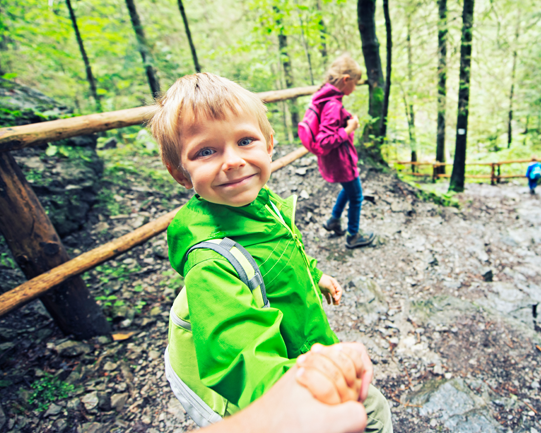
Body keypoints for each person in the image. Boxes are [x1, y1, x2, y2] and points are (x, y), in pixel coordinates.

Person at [148, 73, 392, 432]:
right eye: (206, 151)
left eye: (245, 140)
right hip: (282, 386)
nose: (232, 160)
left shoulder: (265, 205)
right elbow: (241, 353)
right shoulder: (210, 264)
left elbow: (284, 250)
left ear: (269, 144)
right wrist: (304, 391)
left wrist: (315, 274)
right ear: (181, 173)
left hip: (304, 345)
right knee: (373, 410)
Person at [196, 343, 370, 433]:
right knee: (373, 407)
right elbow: (241, 358)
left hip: (314, 361)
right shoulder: (209, 275)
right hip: (305, 382)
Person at [308, 54, 375, 249]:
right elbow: (326, 139)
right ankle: (353, 236)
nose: (355, 87)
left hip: (338, 160)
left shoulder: (327, 98)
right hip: (341, 160)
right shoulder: (332, 105)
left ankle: (334, 221)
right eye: (355, 83)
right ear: (346, 80)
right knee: (356, 196)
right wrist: (349, 128)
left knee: (348, 190)